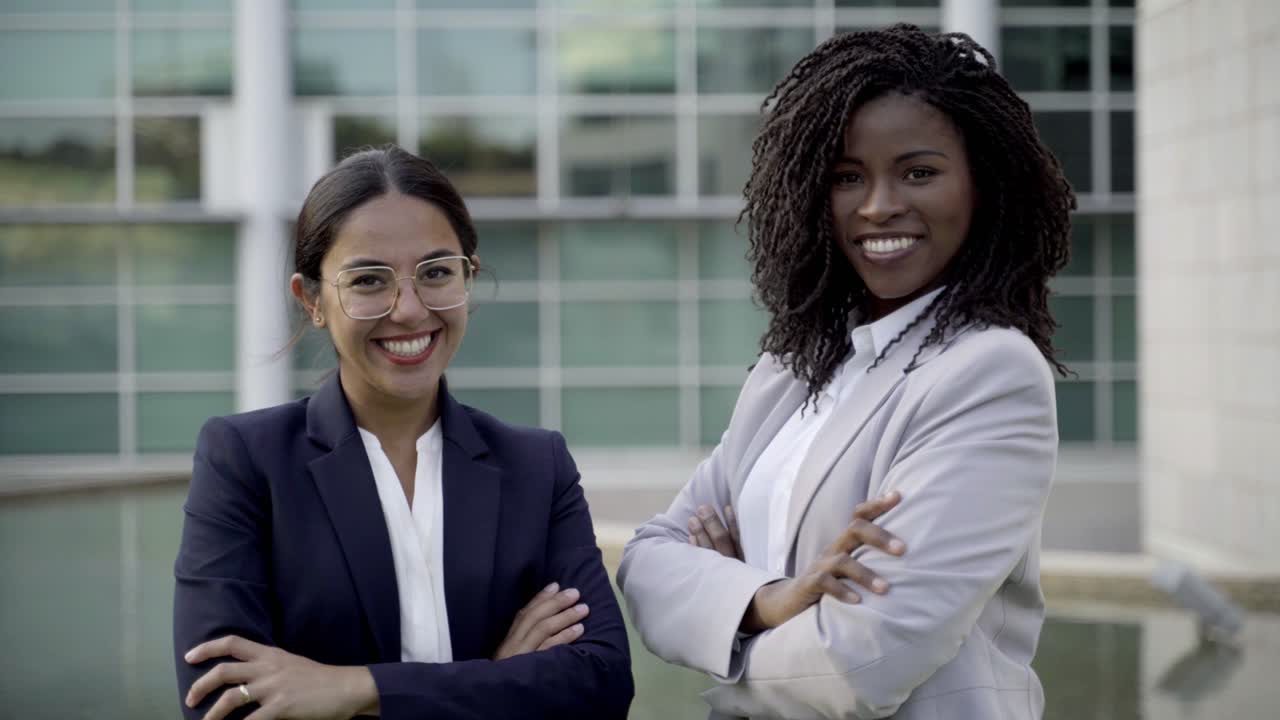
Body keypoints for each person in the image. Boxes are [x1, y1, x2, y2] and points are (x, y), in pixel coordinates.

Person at [618, 24, 1071, 720]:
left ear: (983, 186)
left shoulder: (989, 374)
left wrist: (724, 634)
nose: (878, 205)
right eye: (846, 177)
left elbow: (861, 664)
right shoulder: (792, 370)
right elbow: (648, 562)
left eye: (918, 172)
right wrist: (770, 599)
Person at [173, 146, 633, 720]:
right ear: (312, 300)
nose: (410, 310)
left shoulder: (537, 467)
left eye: (436, 272)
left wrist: (352, 689)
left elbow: (603, 683)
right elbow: (222, 704)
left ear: (468, 275)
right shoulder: (247, 462)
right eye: (369, 281)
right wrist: (497, 680)